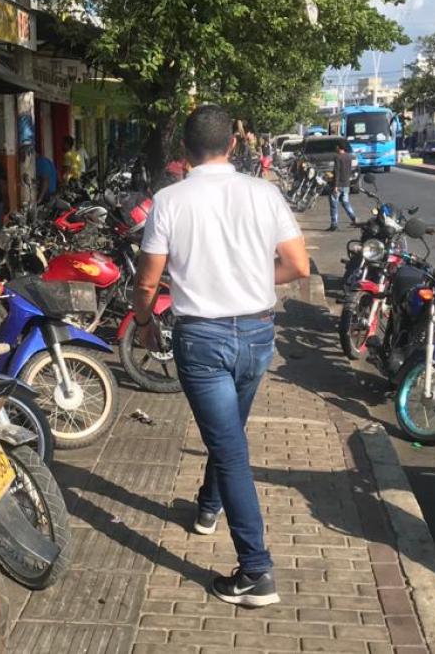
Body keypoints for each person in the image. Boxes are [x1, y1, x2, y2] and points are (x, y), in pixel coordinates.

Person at [131, 105, 311, 608]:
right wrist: (249, 280)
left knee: (230, 449)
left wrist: (143, 323)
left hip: (203, 340)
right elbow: (298, 265)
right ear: (233, 144)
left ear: (183, 150)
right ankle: (208, 508)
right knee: (228, 434)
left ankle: (256, 572)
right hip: (257, 334)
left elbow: (147, 282)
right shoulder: (264, 193)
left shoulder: (169, 200)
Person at [327, 144, 357, 232]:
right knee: (345, 202)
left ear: (339, 148)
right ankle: (354, 218)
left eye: (337, 147)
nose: (336, 148)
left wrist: (335, 186)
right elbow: (349, 170)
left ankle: (334, 224)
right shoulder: (349, 157)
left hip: (338, 184)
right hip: (346, 184)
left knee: (334, 205)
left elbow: (337, 172)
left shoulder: (338, 157)